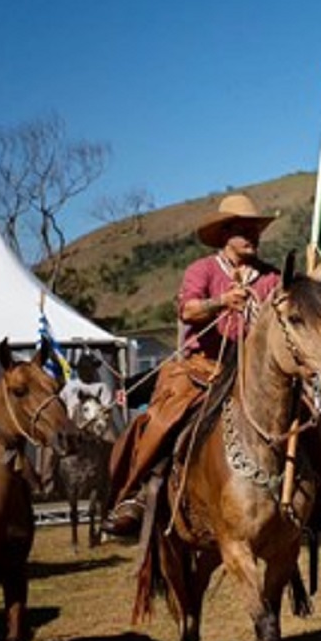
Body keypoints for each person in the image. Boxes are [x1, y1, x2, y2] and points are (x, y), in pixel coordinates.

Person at [104, 193, 280, 535]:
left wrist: (311, 281)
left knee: (307, 412)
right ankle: (138, 494)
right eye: (244, 230)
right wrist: (221, 302)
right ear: (224, 234)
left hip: (254, 374)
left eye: (255, 230)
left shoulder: (271, 277)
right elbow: (188, 310)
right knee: (164, 416)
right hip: (204, 368)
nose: (252, 236)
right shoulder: (201, 270)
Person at [59, 352, 113, 420]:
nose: (86, 371)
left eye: (89, 368)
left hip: (95, 425)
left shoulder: (102, 387)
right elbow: (60, 403)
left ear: (93, 369)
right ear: (78, 370)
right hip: (70, 423)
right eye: (83, 368)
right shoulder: (69, 386)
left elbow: (107, 409)